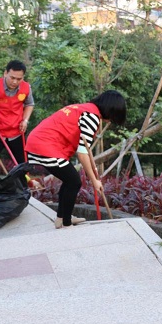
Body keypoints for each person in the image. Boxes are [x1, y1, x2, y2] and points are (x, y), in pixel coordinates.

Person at [25, 90, 126, 229]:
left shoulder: (84, 108)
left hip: (39, 142)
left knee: (69, 180)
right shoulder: (92, 116)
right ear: (111, 110)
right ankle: (66, 223)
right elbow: (82, 153)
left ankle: (61, 218)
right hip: (46, 145)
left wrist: (93, 170)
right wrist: (94, 180)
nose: (112, 121)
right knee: (74, 181)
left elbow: (83, 148)